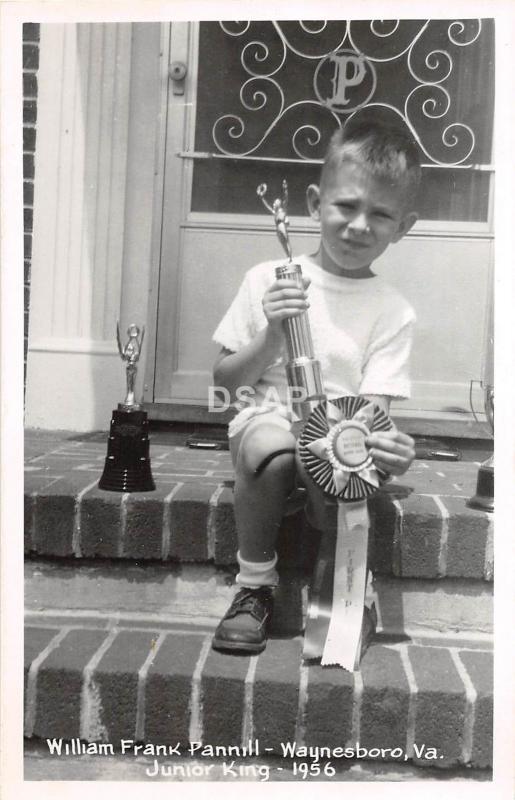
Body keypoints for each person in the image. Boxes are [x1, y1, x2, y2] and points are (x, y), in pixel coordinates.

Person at [210, 119, 420, 654]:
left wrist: (387, 447)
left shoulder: (393, 311)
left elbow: (372, 414)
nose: (358, 226)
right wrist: (271, 335)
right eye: (345, 206)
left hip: (334, 440)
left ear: (404, 227)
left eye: (380, 214)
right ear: (313, 201)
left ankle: (346, 590)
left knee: (344, 455)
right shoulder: (268, 278)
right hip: (270, 423)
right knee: (268, 448)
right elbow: (224, 384)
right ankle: (254, 586)